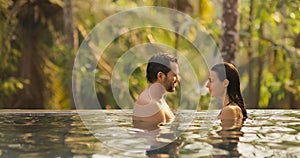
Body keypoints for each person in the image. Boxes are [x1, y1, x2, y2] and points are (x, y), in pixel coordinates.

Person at [133, 53, 180, 128]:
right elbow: (157, 138)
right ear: (160, 76)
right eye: (174, 75)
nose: (178, 79)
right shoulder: (151, 105)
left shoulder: (158, 100)